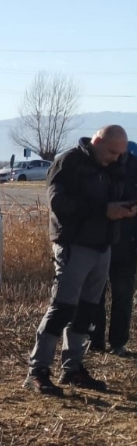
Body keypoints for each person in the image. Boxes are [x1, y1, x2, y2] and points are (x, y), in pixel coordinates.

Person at [24, 125, 137, 395]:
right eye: (111, 152)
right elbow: (59, 203)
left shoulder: (113, 165)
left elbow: (114, 197)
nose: (115, 158)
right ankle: (37, 371)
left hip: (103, 246)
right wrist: (104, 211)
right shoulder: (68, 162)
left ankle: (72, 368)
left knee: (86, 311)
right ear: (97, 140)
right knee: (62, 307)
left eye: (120, 154)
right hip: (74, 245)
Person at [90, 141, 137, 357]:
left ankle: (115, 343)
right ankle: (97, 341)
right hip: (101, 239)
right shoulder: (96, 165)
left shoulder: (129, 166)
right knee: (96, 295)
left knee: (122, 294)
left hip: (126, 241)